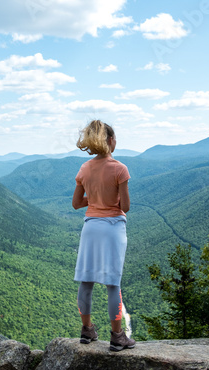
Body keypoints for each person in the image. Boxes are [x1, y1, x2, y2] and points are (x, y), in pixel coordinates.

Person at [72, 119, 136, 352]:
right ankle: (117, 336)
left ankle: (87, 330)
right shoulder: (120, 169)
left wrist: (96, 198)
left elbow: (77, 203)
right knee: (112, 283)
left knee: (86, 280)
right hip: (112, 229)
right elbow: (125, 206)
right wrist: (110, 197)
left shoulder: (85, 169)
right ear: (110, 140)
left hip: (90, 228)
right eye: (115, 137)